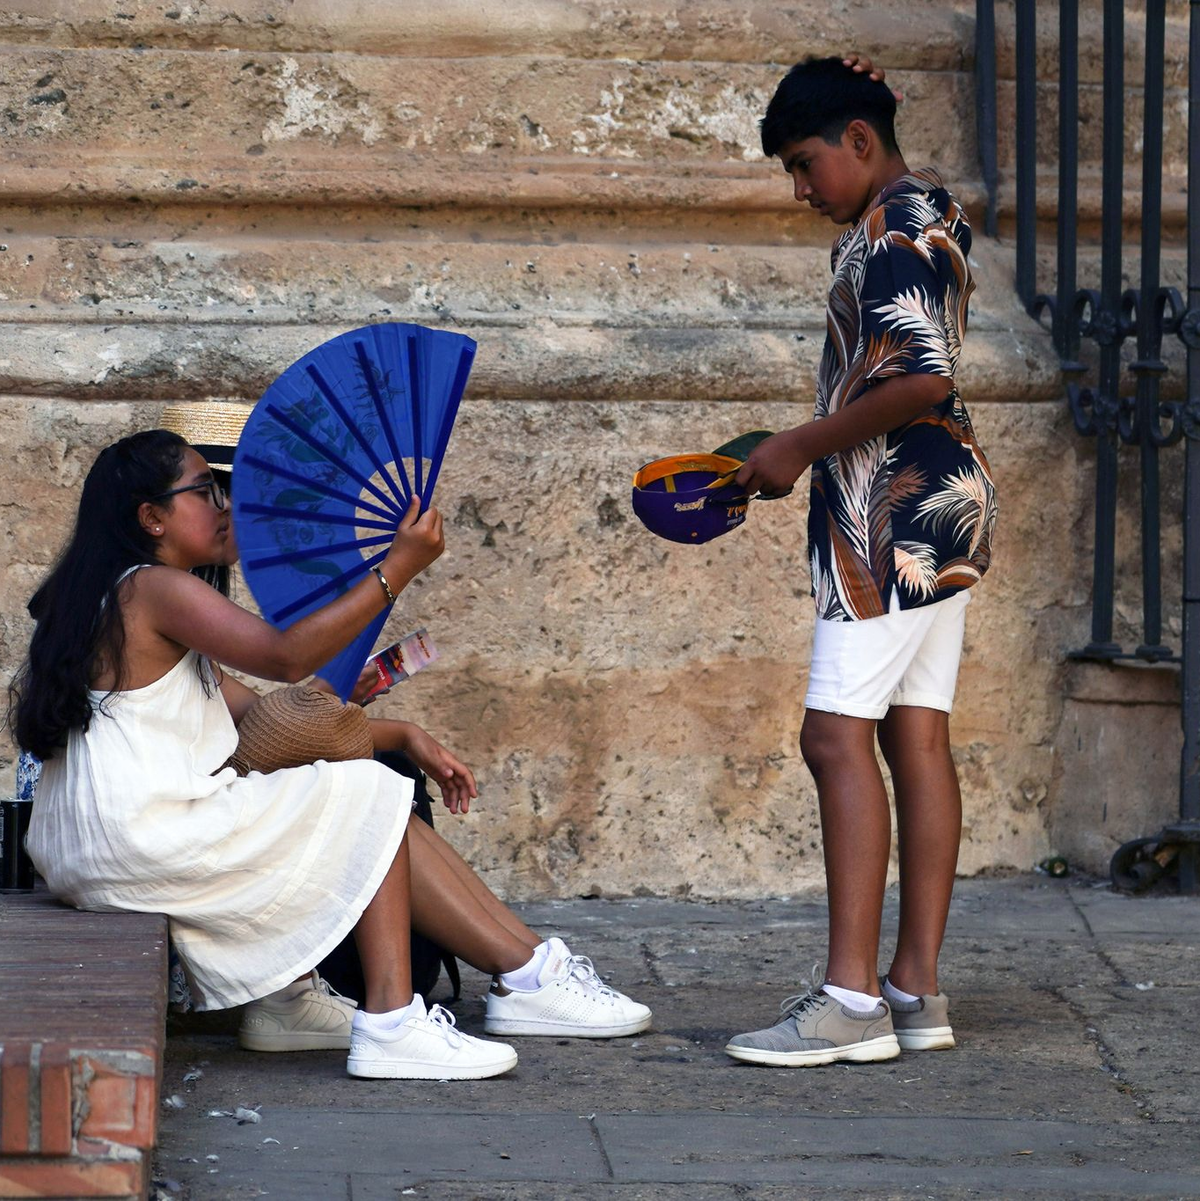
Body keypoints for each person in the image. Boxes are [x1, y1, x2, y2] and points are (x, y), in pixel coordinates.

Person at [10, 430, 646, 1084]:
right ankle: (394, 1023)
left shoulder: (118, 600)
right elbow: (285, 655)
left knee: (370, 797)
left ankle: (528, 973)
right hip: (139, 837)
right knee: (364, 794)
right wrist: (397, 567)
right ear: (152, 517)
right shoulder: (151, 589)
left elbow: (264, 720)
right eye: (205, 491)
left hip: (99, 846)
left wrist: (403, 735)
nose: (225, 506)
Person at [723, 57, 997, 1068]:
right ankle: (912, 989)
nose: (801, 189)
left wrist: (801, 442)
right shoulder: (934, 214)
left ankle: (848, 1000)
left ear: (861, 141)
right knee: (915, 740)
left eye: (804, 165)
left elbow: (922, 377)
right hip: (940, 504)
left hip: (890, 513)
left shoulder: (889, 231)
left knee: (833, 740)